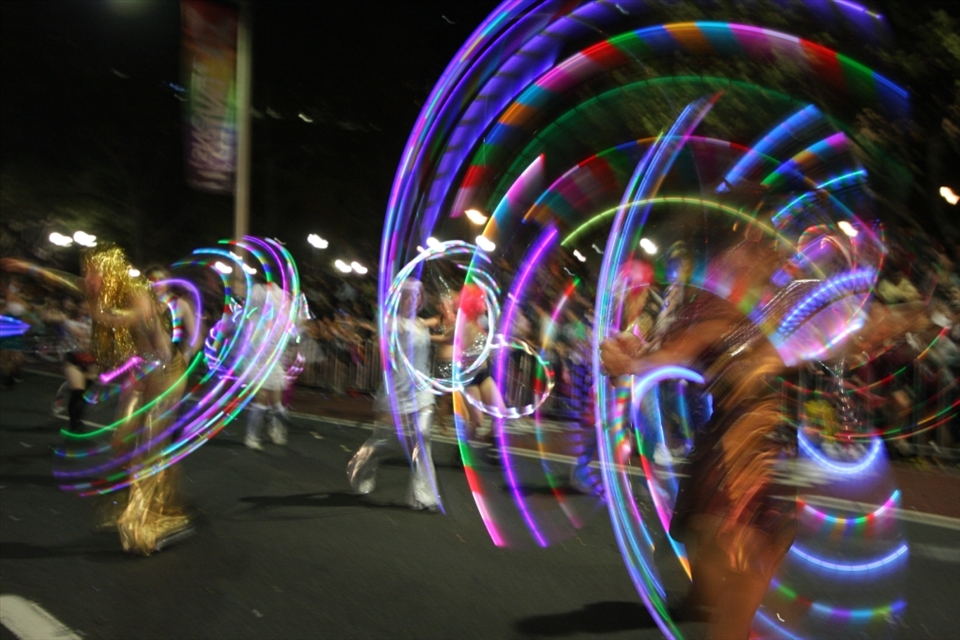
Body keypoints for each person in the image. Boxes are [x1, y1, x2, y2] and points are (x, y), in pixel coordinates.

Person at [599, 221, 934, 639]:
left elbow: (851, 329)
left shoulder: (791, 300)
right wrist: (627, 363)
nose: (768, 250)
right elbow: (666, 356)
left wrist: (914, 315)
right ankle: (706, 601)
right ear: (724, 256)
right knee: (736, 596)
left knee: (742, 584)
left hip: (772, 460)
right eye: (749, 242)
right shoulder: (710, 310)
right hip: (732, 463)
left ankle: (704, 600)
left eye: (767, 243)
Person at [2, 248, 193, 555]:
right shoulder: (97, 290)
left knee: (147, 449)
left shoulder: (136, 296)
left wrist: (105, 315)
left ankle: (147, 526)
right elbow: (62, 279)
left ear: (112, 275)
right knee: (121, 441)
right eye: (87, 273)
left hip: (166, 374)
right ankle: (153, 502)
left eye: (95, 274)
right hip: (141, 370)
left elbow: (144, 327)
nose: (88, 280)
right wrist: (26, 266)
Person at [347, 280, 441, 510]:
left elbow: (437, 324)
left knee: (422, 434)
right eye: (407, 295)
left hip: (422, 390)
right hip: (397, 389)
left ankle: (423, 495)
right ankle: (362, 468)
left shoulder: (421, 324)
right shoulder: (392, 324)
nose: (412, 299)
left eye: (417, 295)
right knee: (384, 439)